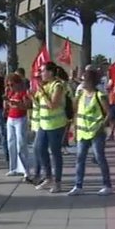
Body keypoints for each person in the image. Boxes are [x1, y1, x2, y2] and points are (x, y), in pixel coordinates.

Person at [68, 69, 112, 196]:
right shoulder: (80, 95)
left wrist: (101, 126)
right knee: (80, 158)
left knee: (99, 158)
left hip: (96, 132)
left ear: (92, 81)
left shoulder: (99, 95)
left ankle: (107, 185)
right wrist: (75, 130)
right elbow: (76, 114)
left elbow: (109, 113)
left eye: (85, 80)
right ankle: (78, 185)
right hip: (83, 132)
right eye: (82, 80)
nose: (82, 83)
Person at [34, 62, 66, 193]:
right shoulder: (44, 85)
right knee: (39, 148)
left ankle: (57, 182)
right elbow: (38, 103)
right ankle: (48, 176)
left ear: (51, 72)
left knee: (55, 152)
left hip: (56, 125)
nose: (41, 74)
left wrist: (42, 92)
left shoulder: (57, 85)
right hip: (43, 124)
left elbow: (53, 104)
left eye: (43, 71)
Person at [5, 73, 31, 177]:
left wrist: (17, 104)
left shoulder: (23, 93)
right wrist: (7, 102)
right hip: (11, 118)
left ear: (17, 83)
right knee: (11, 143)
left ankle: (25, 169)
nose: (10, 87)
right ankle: (13, 168)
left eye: (12, 84)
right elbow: (8, 105)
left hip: (20, 119)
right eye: (9, 85)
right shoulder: (11, 93)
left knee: (21, 144)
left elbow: (27, 106)